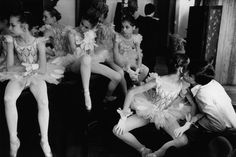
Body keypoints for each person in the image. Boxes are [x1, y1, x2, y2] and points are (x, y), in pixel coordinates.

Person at [1, 12, 64, 157]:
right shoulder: (12, 41)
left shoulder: (38, 42)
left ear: (24, 26)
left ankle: (44, 140)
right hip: (19, 73)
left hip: (37, 74)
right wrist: (24, 68)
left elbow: (42, 68)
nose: (9, 27)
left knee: (43, 101)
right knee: (8, 99)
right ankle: (13, 140)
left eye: (13, 25)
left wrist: (32, 68)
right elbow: (10, 66)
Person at [113, 54, 196, 157]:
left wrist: (187, 124)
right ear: (180, 69)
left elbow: (192, 104)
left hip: (166, 115)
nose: (189, 71)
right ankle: (143, 150)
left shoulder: (183, 84)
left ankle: (157, 154)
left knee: (183, 140)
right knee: (117, 130)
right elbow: (131, 92)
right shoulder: (159, 81)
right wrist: (123, 117)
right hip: (149, 111)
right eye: (188, 67)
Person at [174, 62, 236, 146]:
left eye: (187, 72)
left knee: (185, 132)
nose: (184, 73)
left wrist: (192, 122)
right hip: (230, 120)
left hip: (226, 130)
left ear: (192, 78)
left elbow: (219, 126)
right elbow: (209, 110)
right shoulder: (213, 83)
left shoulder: (202, 94)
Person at [86, 3, 123, 102]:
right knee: (119, 72)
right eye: (99, 15)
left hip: (107, 53)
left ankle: (123, 95)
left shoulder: (108, 26)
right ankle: (112, 96)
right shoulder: (93, 26)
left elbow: (111, 41)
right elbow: (95, 43)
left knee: (120, 72)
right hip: (98, 53)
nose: (100, 18)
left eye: (102, 15)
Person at [113, 15, 149, 88]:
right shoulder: (118, 37)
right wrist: (128, 70)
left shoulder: (136, 38)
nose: (124, 30)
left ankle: (134, 84)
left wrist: (137, 70)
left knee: (145, 70)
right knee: (128, 71)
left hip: (131, 60)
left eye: (127, 27)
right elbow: (116, 56)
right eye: (122, 27)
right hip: (120, 61)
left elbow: (139, 56)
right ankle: (132, 86)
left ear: (133, 27)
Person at [134, 3, 160, 72]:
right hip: (152, 46)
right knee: (151, 65)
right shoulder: (156, 22)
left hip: (142, 45)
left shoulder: (140, 20)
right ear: (153, 12)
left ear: (145, 11)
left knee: (142, 63)